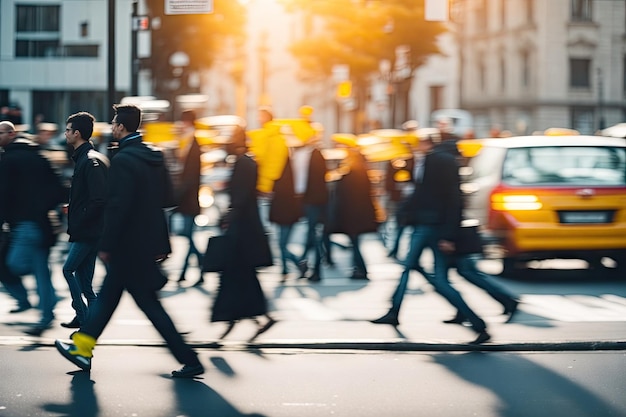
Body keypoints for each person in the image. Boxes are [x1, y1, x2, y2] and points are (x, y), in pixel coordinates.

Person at [55, 104, 204, 378]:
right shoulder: (154, 157)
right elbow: (168, 199)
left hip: (127, 246)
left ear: (121, 127)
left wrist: (107, 246)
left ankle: (83, 350)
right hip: (146, 243)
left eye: (113, 124)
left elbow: (117, 207)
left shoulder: (123, 160)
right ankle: (83, 350)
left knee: (137, 304)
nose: (112, 128)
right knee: (124, 302)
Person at [371, 130, 491, 344]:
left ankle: (476, 322)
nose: (416, 145)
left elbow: (447, 198)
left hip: (431, 226)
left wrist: (447, 235)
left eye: (420, 142)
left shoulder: (437, 161)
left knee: (434, 277)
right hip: (431, 225)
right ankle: (395, 311)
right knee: (415, 269)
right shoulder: (438, 160)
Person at [0, 121, 66, 335]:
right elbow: (59, 189)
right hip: (43, 223)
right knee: (41, 271)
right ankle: (47, 314)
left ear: (11, 134)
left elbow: (3, 195)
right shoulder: (39, 157)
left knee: (14, 264)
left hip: (24, 224)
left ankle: (37, 303)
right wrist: (43, 206)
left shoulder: (8, 160)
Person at [211, 126, 275, 339]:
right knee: (244, 276)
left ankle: (235, 317)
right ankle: (256, 317)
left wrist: (228, 217)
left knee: (236, 274)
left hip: (242, 230)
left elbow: (240, 197)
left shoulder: (243, 163)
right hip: (246, 227)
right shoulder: (247, 162)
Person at [61, 112, 109, 329]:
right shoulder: (85, 158)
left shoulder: (89, 161)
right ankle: (91, 322)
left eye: (68, 130)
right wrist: (73, 208)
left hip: (88, 231)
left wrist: (79, 217)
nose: (65, 133)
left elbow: (99, 199)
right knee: (86, 285)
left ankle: (83, 316)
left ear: (77, 133)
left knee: (68, 269)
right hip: (89, 229)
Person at [441, 219, 519, 324]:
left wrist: (448, 238)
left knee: (465, 273)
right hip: (452, 237)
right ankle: (506, 300)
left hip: (454, 238)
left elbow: (453, 213)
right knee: (460, 274)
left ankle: (507, 300)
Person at [328, 147, 380, 280]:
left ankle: (361, 269)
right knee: (355, 242)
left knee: (355, 243)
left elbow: (342, 197)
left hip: (351, 216)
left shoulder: (349, 177)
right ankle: (358, 268)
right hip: (360, 215)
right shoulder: (365, 175)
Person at [174, 110, 204, 286]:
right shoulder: (187, 141)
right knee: (188, 234)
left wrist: (178, 195)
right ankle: (188, 272)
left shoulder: (193, 144)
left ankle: (201, 263)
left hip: (190, 199)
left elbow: (191, 176)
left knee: (188, 234)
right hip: (188, 198)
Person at [295, 136, 329, 282]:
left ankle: (309, 265)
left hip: (312, 200)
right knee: (312, 234)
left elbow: (305, 180)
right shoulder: (308, 154)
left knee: (313, 234)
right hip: (312, 200)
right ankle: (306, 264)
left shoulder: (311, 155)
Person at [269, 143, 304, 282]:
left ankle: (296, 264)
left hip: (285, 216)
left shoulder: (283, 177)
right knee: (281, 244)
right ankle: (287, 269)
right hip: (286, 216)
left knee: (282, 245)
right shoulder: (290, 175)